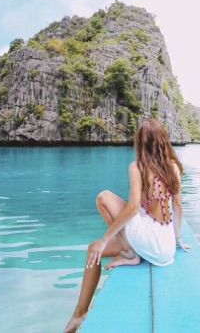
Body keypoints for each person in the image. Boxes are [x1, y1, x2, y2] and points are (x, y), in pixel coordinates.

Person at [63, 118, 191, 333]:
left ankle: (80, 312)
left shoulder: (137, 167)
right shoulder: (174, 168)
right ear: (163, 141)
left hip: (150, 241)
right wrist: (177, 239)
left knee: (103, 197)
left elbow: (132, 208)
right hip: (166, 249)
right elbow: (177, 205)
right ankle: (80, 314)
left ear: (140, 143)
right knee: (93, 248)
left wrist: (106, 238)